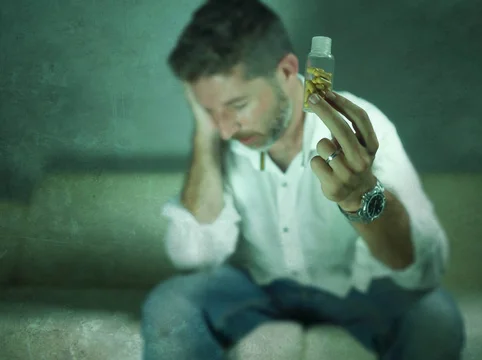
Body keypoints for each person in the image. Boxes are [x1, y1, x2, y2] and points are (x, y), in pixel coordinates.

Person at [140, 0, 465, 359]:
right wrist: (203, 134)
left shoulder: (362, 126)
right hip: (259, 288)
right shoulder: (220, 135)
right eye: (209, 111)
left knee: (434, 315)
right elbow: (192, 257)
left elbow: (420, 268)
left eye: (237, 105)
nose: (226, 128)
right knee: (171, 302)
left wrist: (362, 198)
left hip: (358, 290)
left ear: (286, 71)